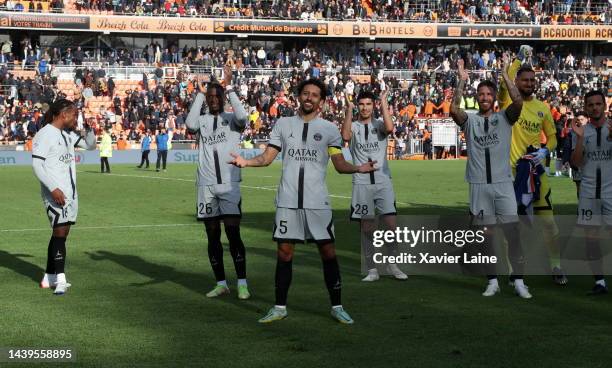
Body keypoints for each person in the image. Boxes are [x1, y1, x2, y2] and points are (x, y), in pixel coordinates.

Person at [229, 78, 376, 324]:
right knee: (284, 254)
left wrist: (358, 168)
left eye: (314, 95)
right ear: (299, 96)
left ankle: (337, 306)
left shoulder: (329, 129)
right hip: (287, 201)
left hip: (317, 202)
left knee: (328, 253)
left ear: (321, 101)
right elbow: (267, 157)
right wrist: (247, 162)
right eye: (305, 93)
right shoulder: (283, 124)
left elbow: (339, 164)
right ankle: (279, 307)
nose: (309, 97)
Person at [450, 57, 531, 298]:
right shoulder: (470, 121)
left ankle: (518, 281)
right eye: (481, 94)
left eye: (488, 94)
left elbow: (518, 101)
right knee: (485, 237)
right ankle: (493, 280)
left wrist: (505, 73)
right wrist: (461, 81)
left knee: (512, 234)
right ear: (476, 97)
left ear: (494, 98)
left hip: (503, 184)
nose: (484, 97)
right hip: (478, 186)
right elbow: (454, 109)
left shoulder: (504, 118)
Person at [498, 45, 566, 285]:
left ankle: (556, 265)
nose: (528, 83)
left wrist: (546, 149)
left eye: (531, 80)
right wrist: (517, 59)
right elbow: (503, 84)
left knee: (549, 223)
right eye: (524, 80)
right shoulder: (509, 101)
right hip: (510, 174)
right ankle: (512, 272)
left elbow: (554, 135)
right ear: (516, 81)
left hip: (536, 172)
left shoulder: (542, 109)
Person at [185, 65, 251, 300]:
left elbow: (244, 117)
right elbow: (190, 125)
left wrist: (230, 87)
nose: (213, 100)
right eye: (210, 97)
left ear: (223, 99)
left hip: (229, 185)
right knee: (212, 237)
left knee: (233, 234)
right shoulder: (201, 121)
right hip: (206, 186)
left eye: (217, 97)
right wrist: (200, 94)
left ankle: (242, 283)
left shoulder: (233, 119)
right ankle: (221, 283)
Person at [341, 89, 407, 282]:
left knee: (391, 224)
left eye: (368, 104)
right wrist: (349, 108)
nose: (365, 108)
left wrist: (384, 102)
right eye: (361, 104)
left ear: (373, 106)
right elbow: (345, 137)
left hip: (383, 181)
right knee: (367, 226)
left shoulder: (379, 124)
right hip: (362, 183)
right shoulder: (353, 126)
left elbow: (389, 127)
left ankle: (392, 264)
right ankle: (372, 269)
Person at [32, 99, 96, 295]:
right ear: (63, 114)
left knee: (61, 233)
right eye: (74, 115)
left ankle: (49, 275)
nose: (75, 118)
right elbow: (37, 166)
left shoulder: (68, 135)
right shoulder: (45, 134)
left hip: (70, 193)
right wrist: (53, 189)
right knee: (60, 233)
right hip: (55, 193)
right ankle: (60, 279)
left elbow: (90, 146)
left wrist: (89, 129)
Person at [570, 90, 611, 295]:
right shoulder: (580, 131)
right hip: (588, 191)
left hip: (611, 191)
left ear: (605, 106)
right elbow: (576, 163)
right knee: (591, 238)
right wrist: (578, 140)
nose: (595, 108)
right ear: (586, 108)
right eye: (591, 105)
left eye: (598, 104)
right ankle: (600, 282)